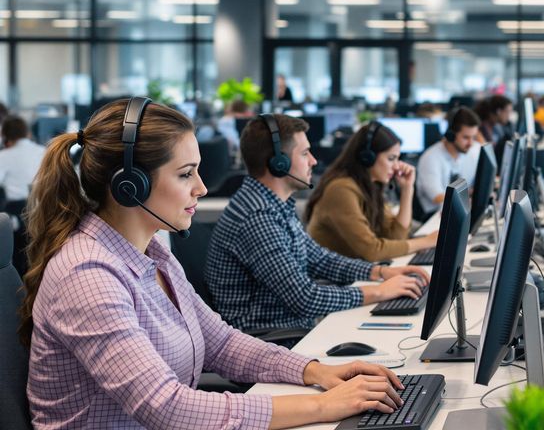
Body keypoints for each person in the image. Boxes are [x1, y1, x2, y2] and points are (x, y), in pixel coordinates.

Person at [20, 98, 407, 429]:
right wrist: (324, 405)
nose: (202, 188)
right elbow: (166, 407)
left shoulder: (153, 253)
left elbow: (219, 342)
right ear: (130, 185)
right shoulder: (87, 275)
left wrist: (316, 372)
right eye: (186, 173)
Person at [206, 114, 429, 332]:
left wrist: (379, 272)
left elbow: (319, 259)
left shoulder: (274, 204)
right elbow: (304, 298)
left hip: (292, 331)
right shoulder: (257, 217)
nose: (313, 160)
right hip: (273, 342)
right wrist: (379, 292)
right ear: (278, 163)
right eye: (304, 153)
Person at [306, 122, 439, 262]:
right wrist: (426, 242)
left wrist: (407, 189)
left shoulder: (371, 186)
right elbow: (372, 250)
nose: (396, 166)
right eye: (391, 158)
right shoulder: (341, 189)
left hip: (360, 271)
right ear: (368, 157)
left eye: (397, 159)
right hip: (333, 280)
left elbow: (396, 238)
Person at [415, 107, 481, 215]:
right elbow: (437, 197)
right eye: (466, 137)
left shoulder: (474, 150)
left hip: (461, 213)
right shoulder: (430, 158)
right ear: (451, 135)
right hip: (435, 217)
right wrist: (469, 196)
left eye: (473, 137)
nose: (471, 143)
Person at [0, 116, 46, 200]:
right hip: (44, 205)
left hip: (14, 208)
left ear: (4, 137)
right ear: (28, 133)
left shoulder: (3, 156)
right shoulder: (44, 151)